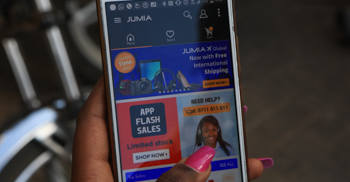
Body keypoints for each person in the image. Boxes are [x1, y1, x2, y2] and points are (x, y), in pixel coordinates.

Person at [71, 77, 273, 181]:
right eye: (206, 131)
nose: (211, 134)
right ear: (199, 133)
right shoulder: (188, 153)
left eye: (214, 130)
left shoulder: (229, 150)